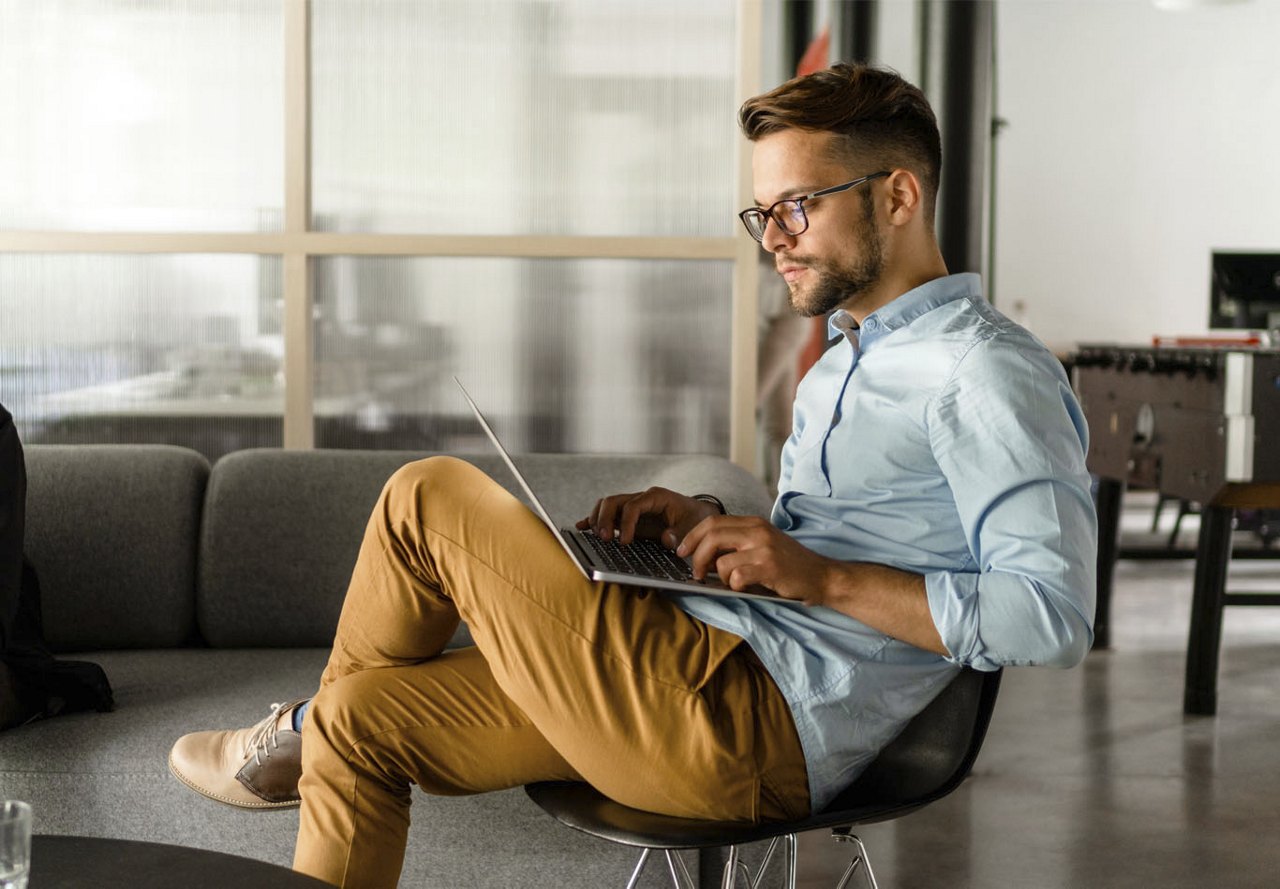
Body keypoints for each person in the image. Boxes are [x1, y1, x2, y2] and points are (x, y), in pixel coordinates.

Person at [169, 63, 1096, 889]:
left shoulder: (986, 370)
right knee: (363, 720)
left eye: (797, 205)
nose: (771, 236)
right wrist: (707, 520)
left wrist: (815, 577)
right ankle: (314, 729)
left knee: (429, 495)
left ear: (897, 197)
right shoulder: (840, 359)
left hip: (748, 727)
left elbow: (1049, 616)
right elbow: (837, 543)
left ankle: (288, 732)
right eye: (760, 212)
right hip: (698, 669)